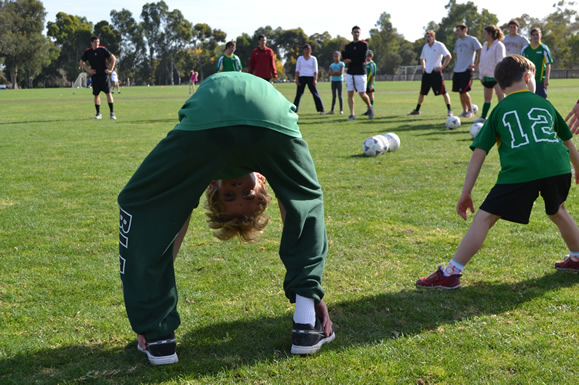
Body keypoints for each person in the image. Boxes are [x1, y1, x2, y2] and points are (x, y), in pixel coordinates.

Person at [118, 72, 335, 366]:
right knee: (304, 197)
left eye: (230, 197)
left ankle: (158, 338)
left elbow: (174, 208)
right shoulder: (263, 167)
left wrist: (151, 315)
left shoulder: (204, 172)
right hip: (271, 121)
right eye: (248, 196)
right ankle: (306, 323)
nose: (238, 191)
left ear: (211, 186)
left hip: (207, 124)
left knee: (142, 200)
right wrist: (310, 290)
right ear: (262, 181)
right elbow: (296, 201)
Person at [416, 55, 579, 290]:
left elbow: (479, 153)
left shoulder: (500, 109)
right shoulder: (545, 104)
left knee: (485, 217)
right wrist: (577, 169)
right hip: (558, 167)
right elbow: (568, 143)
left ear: (501, 85)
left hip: (522, 171)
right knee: (559, 211)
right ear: (527, 77)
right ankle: (577, 257)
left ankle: (451, 272)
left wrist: (466, 191)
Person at [408, 30, 453, 117]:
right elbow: (422, 58)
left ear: (433, 37)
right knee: (422, 92)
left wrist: (442, 67)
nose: (427, 38)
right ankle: (417, 110)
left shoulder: (439, 45)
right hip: (427, 73)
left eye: (429, 36)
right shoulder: (425, 47)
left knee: (443, 92)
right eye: (426, 37)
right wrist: (423, 67)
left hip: (436, 73)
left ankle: (449, 110)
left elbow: (448, 56)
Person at [474, 25, 506, 124]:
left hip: (497, 77)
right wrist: (481, 75)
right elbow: (482, 62)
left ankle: (504, 116)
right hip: (486, 77)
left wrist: (499, 76)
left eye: (485, 33)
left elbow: (500, 62)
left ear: (490, 34)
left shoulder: (499, 45)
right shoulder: (484, 46)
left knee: (501, 97)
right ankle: (483, 117)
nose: (483, 35)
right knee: (487, 99)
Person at [79, 36, 117, 120]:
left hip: (104, 75)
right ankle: (98, 113)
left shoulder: (103, 49)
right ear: (91, 43)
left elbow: (113, 58)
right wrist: (88, 70)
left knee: (108, 93)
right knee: (96, 95)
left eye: (98, 42)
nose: (97, 44)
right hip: (95, 76)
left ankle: (112, 113)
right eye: (95, 42)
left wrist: (111, 69)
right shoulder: (88, 52)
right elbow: (81, 62)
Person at [341, 26, 373, 121]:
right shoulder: (349, 46)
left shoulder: (364, 44)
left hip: (360, 72)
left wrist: (350, 60)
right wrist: (343, 49)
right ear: (352, 33)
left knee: (362, 94)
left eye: (358, 32)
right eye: (354, 32)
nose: (356, 33)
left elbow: (362, 59)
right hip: (350, 72)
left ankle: (369, 106)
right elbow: (345, 58)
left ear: (360, 33)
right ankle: (352, 114)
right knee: (350, 94)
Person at [452, 24, 482, 119]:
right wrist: (458, 63)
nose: (456, 32)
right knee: (460, 92)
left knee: (464, 91)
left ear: (464, 30)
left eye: (458, 30)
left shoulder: (472, 40)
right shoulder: (458, 41)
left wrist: (476, 64)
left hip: (467, 70)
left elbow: (480, 50)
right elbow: (455, 53)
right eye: (456, 30)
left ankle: (470, 111)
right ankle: (464, 111)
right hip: (458, 70)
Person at [521, 27, 553, 99]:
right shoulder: (525, 49)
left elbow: (548, 63)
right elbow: (521, 64)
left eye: (537, 34)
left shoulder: (543, 48)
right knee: (529, 99)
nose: (535, 36)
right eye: (533, 35)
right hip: (527, 80)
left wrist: (547, 78)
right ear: (531, 36)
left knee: (543, 100)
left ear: (540, 35)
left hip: (540, 80)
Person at [293, 44, 324, 114]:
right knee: (298, 94)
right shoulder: (300, 58)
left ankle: (321, 109)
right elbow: (297, 70)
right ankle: (295, 109)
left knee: (315, 93)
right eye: (305, 49)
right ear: (303, 50)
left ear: (311, 50)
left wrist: (315, 79)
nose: (307, 51)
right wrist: (297, 79)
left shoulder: (313, 59)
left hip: (311, 77)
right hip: (302, 77)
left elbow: (315, 70)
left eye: (308, 49)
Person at [362, 50, 377, 115]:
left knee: (371, 96)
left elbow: (373, 75)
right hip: (365, 82)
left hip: (370, 83)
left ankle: (371, 110)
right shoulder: (364, 63)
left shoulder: (372, 64)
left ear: (371, 56)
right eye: (366, 56)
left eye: (369, 56)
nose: (367, 57)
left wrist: (371, 84)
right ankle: (368, 110)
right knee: (366, 96)